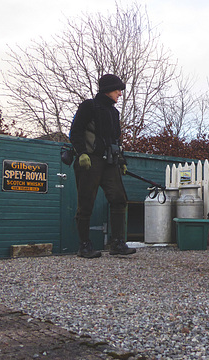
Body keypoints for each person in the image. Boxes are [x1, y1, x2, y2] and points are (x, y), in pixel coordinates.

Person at [69, 74, 135, 258]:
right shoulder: (89, 106)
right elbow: (75, 131)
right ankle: (84, 246)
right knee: (86, 202)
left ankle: (118, 243)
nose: (120, 94)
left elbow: (115, 139)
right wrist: (81, 153)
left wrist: (121, 160)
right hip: (89, 160)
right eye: (117, 90)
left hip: (109, 162)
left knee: (119, 198)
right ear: (107, 90)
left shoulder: (114, 113)